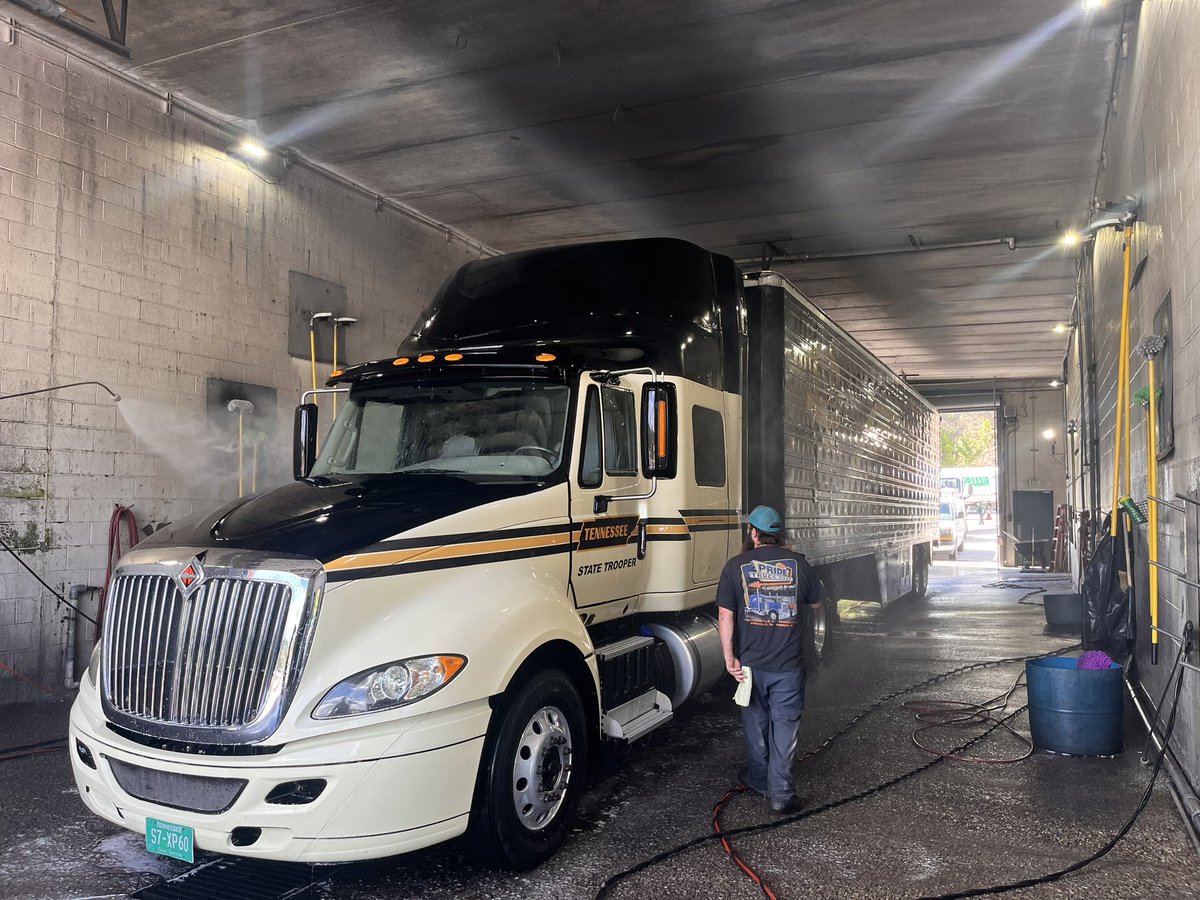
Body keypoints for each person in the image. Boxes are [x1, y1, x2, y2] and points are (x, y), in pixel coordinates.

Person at [716, 505, 823, 814]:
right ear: (780, 535)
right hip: (788, 666)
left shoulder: (735, 566)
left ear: (753, 533)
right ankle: (781, 794)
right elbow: (816, 603)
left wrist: (729, 656)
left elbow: (726, 614)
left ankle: (761, 779)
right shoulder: (799, 565)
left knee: (755, 725)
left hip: (749, 666)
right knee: (785, 728)